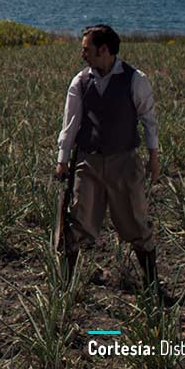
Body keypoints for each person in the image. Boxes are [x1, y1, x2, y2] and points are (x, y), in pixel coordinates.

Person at [55, 24, 165, 296]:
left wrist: (153, 157)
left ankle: (152, 285)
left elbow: (149, 120)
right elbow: (71, 124)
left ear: (103, 50)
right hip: (88, 162)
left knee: (136, 222)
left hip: (124, 162)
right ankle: (64, 288)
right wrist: (63, 159)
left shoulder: (135, 79)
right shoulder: (80, 82)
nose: (83, 55)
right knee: (77, 220)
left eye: (86, 49)